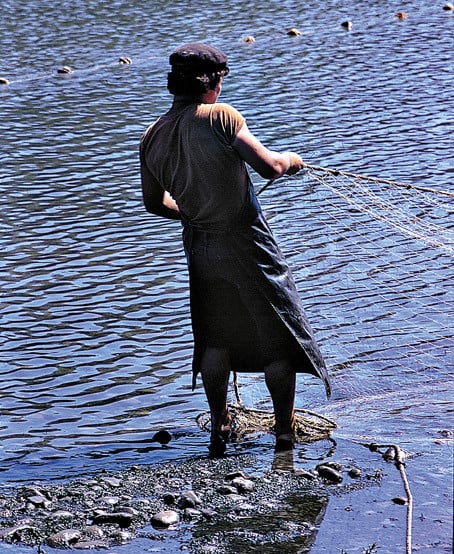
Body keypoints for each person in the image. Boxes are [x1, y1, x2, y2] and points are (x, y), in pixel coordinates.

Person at [140, 43, 331, 456]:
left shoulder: (152, 134)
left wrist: (191, 213)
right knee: (277, 336)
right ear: (212, 83)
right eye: (221, 81)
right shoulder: (221, 117)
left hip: (201, 249)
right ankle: (284, 431)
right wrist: (292, 160)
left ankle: (220, 426)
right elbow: (269, 167)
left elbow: (154, 204)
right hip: (248, 245)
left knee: (215, 338)